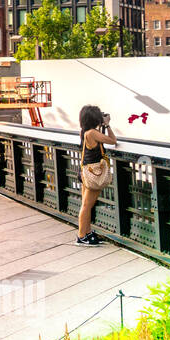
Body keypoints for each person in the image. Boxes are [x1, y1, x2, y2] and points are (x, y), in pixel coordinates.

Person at [76, 105, 117, 245]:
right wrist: (107, 125)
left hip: (86, 172)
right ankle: (81, 236)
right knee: (87, 205)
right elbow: (112, 140)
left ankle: (86, 233)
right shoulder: (92, 133)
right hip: (94, 173)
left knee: (86, 204)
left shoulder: (85, 132)